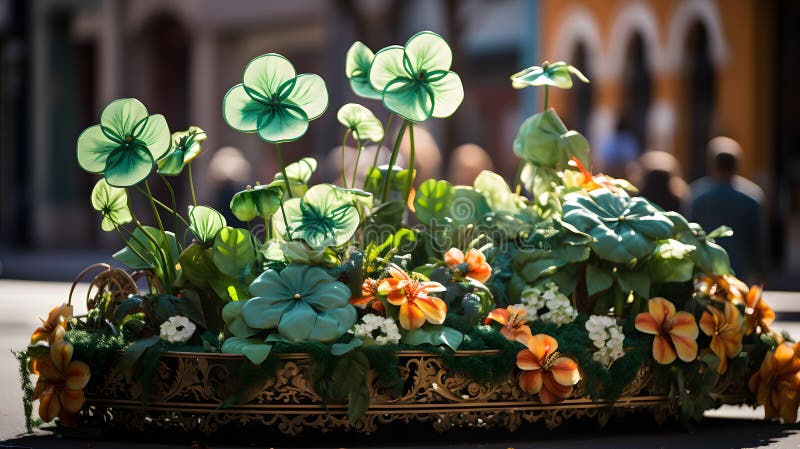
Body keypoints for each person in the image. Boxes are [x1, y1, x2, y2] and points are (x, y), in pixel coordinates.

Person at [683, 137, 767, 284]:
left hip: (706, 271)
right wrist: (761, 271)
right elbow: (758, 240)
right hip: (740, 272)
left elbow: (687, 236)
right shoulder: (752, 197)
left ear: (712, 164)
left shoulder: (696, 196)